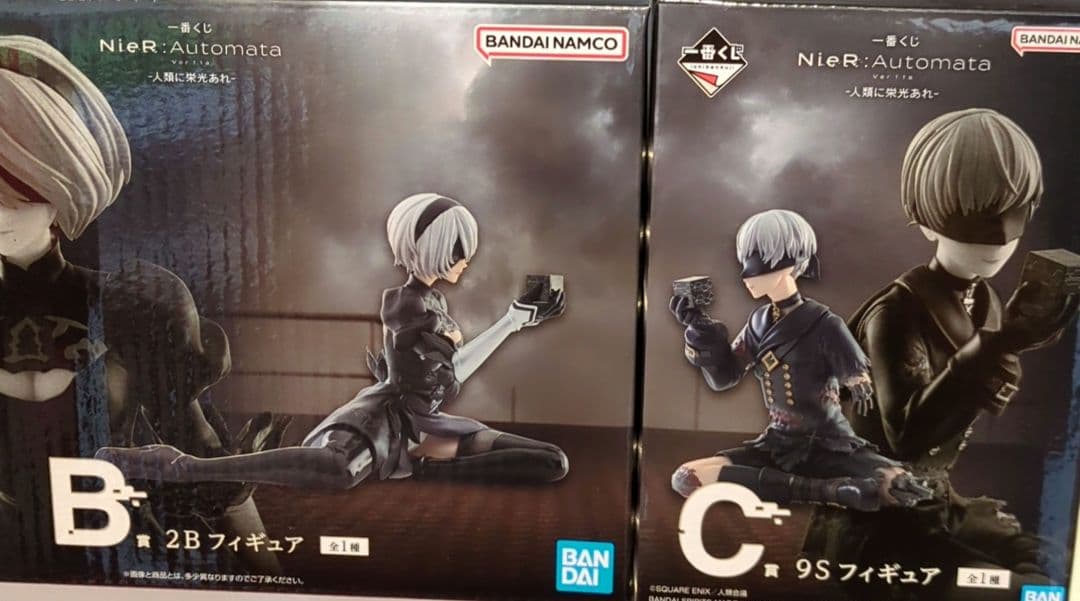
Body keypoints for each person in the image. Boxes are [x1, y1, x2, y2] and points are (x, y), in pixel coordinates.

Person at [0, 35, 278, 576]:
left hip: (119, 554)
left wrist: (272, 571)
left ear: (60, 187)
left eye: (17, 192)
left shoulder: (132, 303)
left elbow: (204, 456)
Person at [96, 193, 570, 489]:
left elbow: (450, 373)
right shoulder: (405, 304)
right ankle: (180, 467)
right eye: (459, 249)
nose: (467, 260)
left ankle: (427, 470)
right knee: (339, 471)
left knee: (551, 462)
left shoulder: (437, 305)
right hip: (387, 420)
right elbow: (422, 365)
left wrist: (512, 321)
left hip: (430, 426)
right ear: (432, 248)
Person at [822, 108, 1078, 593]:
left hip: (935, 503)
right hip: (877, 519)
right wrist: (1000, 344)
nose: (999, 238)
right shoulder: (895, 312)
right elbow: (907, 435)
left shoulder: (988, 301)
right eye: (973, 216)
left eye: (1016, 210)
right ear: (927, 221)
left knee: (1048, 561)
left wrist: (1014, 339)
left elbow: (980, 396)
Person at [668, 209, 930, 511]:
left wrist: (858, 381)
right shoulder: (758, 323)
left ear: (789, 263)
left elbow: (858, 377)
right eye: (746, 262)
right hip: (778, 443)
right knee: (687, 478)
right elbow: (724, 378)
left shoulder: (822, 322)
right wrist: (701, 330)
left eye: (758, 262)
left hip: (828, 443)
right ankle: (831, 491)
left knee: (897, 483)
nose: (746, 276)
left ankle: (834, 486)